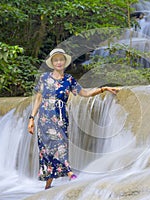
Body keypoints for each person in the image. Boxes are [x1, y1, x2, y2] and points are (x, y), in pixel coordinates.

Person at [28, 48, 119, 190]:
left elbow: (85, 93)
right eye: (56, 60)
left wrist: (104, 89)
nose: (59, 62)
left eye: (61, 60)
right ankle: (54, 181)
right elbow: (39, 98)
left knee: (61, 144)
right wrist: (31, 118)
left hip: (60, 117)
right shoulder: (44, 78)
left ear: (65, 62)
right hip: (44, 118)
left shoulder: (69, 80)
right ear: (52, 63)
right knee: (46, 150)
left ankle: (66, 174)